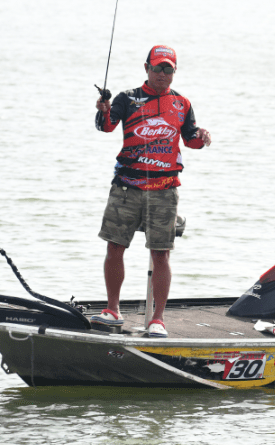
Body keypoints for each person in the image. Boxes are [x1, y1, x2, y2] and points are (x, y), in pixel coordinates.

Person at [91, 45, 211, 337]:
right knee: (114, 247)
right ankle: (112, 310)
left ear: (174, 72)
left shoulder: (182, 103)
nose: (162, 74)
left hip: (165, 188)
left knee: (161, 254)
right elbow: (106, 127)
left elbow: (191, 138)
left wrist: (203, 137)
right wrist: (103, 110)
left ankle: (157, 319)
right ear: (146, 68)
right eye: (157, 68)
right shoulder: (127, 98)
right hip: (126, 186)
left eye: (168, 69)